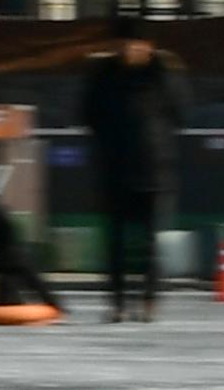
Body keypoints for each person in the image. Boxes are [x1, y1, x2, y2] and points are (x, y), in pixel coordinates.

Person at [76, 17, 192, 322]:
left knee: (150, 242)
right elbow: (86, 115)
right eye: (124, 44)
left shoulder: (161, 74)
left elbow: (181, 113)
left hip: (155, 170)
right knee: (115, 244)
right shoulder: (103, 76)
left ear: (149, 47)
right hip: (115, 170)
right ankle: (116, 303)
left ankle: (149, 299)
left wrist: (164, 69)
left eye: (137, 44)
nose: (130, 50)